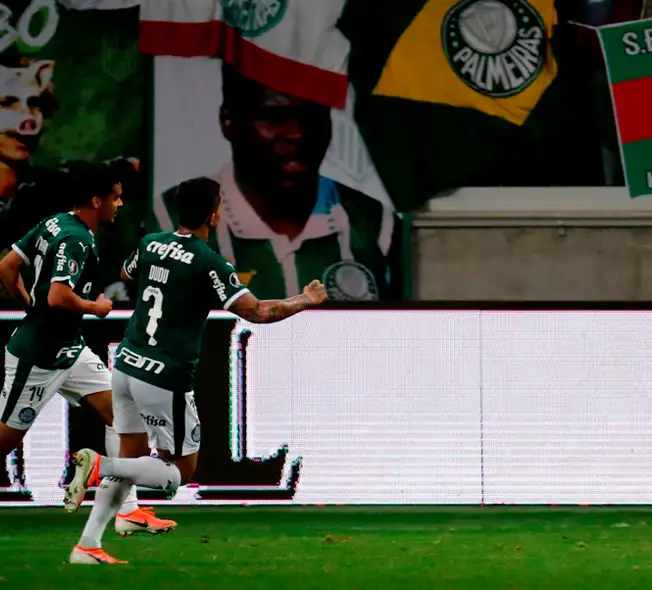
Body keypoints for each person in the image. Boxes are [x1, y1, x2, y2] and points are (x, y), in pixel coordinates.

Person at [64, 181, 328, 564]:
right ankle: (99, 465)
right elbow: (257, 312)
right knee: (178, 471)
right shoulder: (209, 262)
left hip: (125, 365)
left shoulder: (150, 243)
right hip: (163, 376)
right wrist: (305, 299)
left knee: (134, 458)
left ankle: (87, 545)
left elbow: (127, 270)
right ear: (214, 215)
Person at [0, 162, 175, 532]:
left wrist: (27, 307)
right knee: (5, 440)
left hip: (70, 348)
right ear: (97, 201)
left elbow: (7, 267)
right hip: (38, 356)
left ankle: (127, 512)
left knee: (126, 418)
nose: (120, 205)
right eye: (116, 198)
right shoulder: (76, 239)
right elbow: (59, 295)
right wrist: (94, 307)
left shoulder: (54, 223)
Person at [147, 64, 400, 302]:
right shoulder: (168, 224)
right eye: (274, 117)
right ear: (228, 120)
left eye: (313, 116)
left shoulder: (375, 226)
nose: (297, 133)